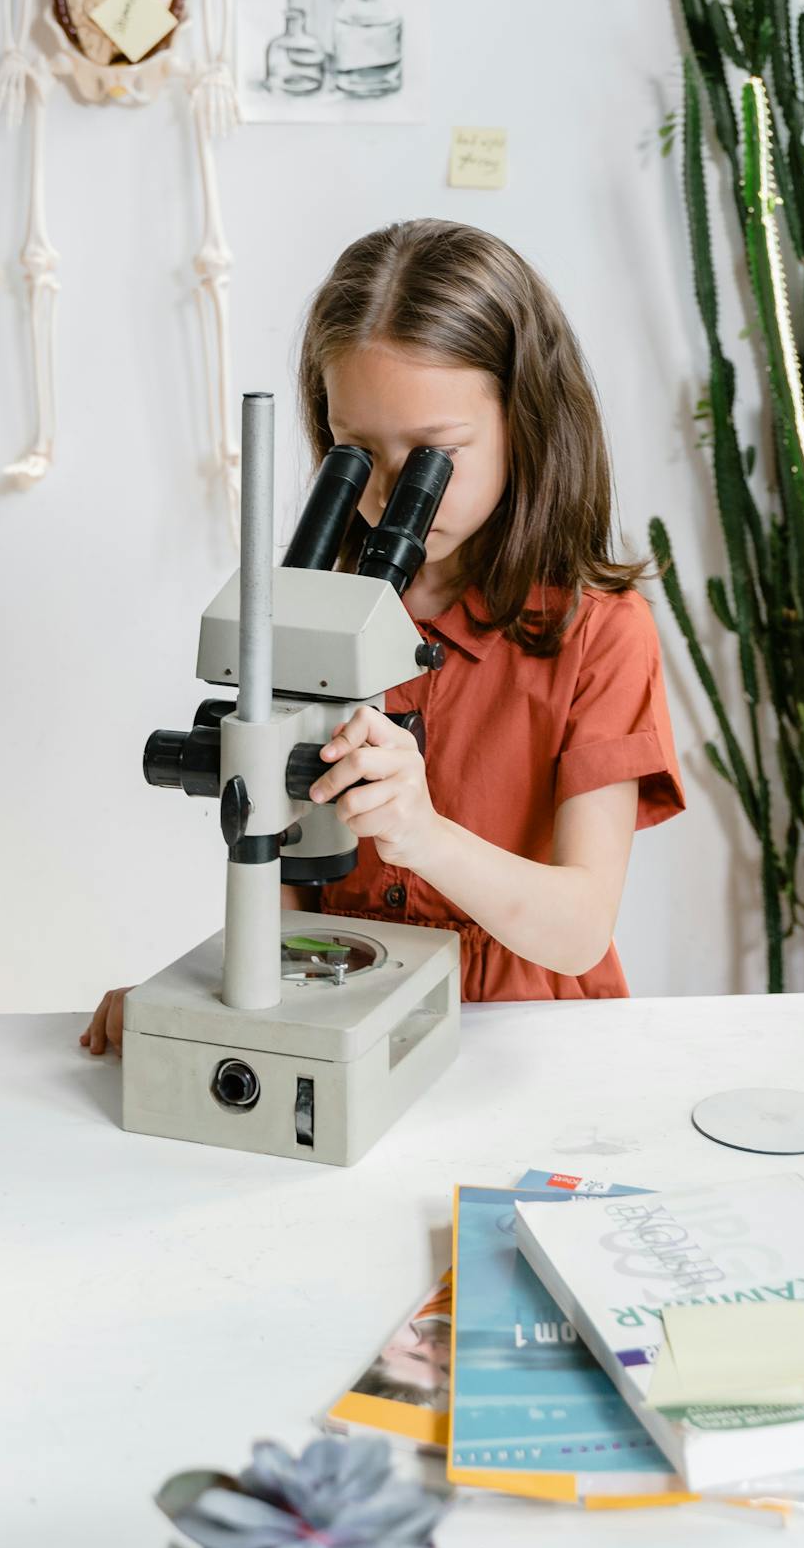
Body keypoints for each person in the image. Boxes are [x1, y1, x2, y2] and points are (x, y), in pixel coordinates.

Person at [82, 218, 684, 1053]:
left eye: (434, 454)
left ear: (526, 421)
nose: (392, 495)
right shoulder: (307, 614)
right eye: (355, 453)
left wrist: (423, 832)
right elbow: (284, 884)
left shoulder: (600, 636)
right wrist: (196, 1000)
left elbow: (579, 930)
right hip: (350, 1017)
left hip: (532, 1041)